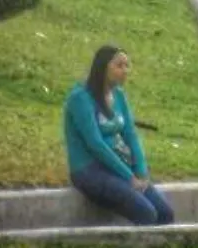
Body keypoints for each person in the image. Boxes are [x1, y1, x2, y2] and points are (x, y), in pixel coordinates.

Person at [64, 46, 174, 226]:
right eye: (119, 65)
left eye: (127, 66)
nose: (125, 71)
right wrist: (129, 177)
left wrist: (141, 172)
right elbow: (95, 144)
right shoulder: (80, 98)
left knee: (165, 213)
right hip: (89, 170)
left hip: (119, 168)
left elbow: (131, 135)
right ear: (102, 67)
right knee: (146, 213)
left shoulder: (119, 95)